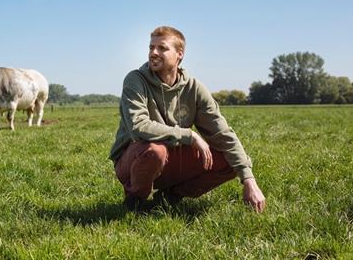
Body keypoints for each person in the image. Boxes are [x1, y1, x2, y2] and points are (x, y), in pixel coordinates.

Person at [110, 26, 266, 212]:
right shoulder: (135, 80)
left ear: (179, 54)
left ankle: (170, 197)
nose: (154, 53)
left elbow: (222, 133)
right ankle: (135, 200)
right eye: (151, 47)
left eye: (162, 48)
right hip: (135, 159)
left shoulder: (194, 88)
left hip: (173, 157)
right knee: (155, 150)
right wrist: (190, 136)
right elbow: (138, 126)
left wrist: (249, 180)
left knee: (230, 160)